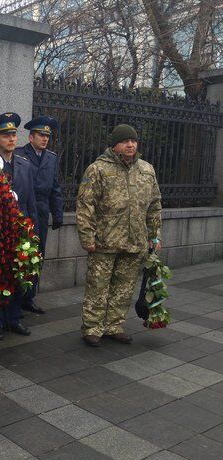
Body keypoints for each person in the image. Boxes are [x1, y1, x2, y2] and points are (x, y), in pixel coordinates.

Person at [76, 124, 162, 347]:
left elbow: (154, 206)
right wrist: (87, 237)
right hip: (104, 242)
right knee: (98, 286)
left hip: (135, 241)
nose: (131, 145)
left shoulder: (146, 170)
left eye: (133, 141)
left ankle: (114, 325)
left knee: (124, 288)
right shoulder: (98, 169)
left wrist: (155, 236)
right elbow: (86, 205)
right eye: (125, 141)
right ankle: (93, 327)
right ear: (114, 145)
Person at [0, 113, 38, 340]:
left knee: (18, 274)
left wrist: (33, 228)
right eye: (5, 135)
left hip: (20, 228)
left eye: (13, 135)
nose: (11, 139)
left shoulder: (25, 165)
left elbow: (30, 200)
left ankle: (13, 318)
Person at [15, 115, 63, 314]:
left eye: (47, 136)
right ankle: (14, 298)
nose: (45, 139)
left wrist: (57, 213)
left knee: (38, 254)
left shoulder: (51, 158)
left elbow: (55, 187)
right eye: (41, 135)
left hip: (41, 211)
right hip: (23, 209)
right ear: (31, 138)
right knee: (20, 253)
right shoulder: (19, 154)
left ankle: (29, 296)